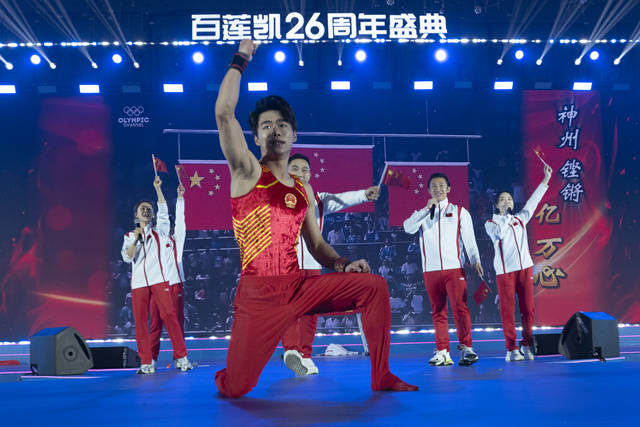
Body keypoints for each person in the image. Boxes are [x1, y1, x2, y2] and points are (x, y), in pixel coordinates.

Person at [213, 39, 417, 397]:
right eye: (266, 125)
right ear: (255, 136)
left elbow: (317, 244)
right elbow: (224, 114)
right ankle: (229, 374)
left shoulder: (303, 189)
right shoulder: (246, 171)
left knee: (374, 286)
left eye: (282, 125)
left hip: (298, 287)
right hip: (258, 294)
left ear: (294, 135)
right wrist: (241, 58)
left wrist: (342, 264)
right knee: (237, 388)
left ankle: (382, 374)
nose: (275, 130)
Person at [281, 153, 380, 376]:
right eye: (294, 168)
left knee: (310, 312)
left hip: (313, 263)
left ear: (310, 174)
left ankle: (305, 356)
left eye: (305, 169)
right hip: (286, 265)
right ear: (285, 172)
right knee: (288, 310)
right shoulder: (275, 198)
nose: (300, 173)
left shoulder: (320, 200)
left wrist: (364, 195)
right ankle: (292, 351)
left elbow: (343, 198)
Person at [403, 173, 484, 366]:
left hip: (454, 268)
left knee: (460, 309)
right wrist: (426, 210)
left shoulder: (459, 212)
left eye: (441, 185)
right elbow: (408, 228)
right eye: (434, 186)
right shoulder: (422, 213)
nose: (438, 189)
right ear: (428, 190)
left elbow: (469, 240)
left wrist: (475, 260)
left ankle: (466, 348)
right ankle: (442, 351)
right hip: (430, 270)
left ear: (448, 189)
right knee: (438, 311)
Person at [121, 176, 192, 374]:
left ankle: (182, 356)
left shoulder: (160, 232)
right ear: (136, 214)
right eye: (142, 209)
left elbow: (163, 213)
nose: (146, 210)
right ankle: (146, 361)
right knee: (141, 323)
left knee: (169, 316)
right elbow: (127, 257)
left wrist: (158, 189)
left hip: (160, 280)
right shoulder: (129, 236)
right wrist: (136, 239)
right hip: (139, 283)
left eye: (149, 208)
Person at [485, 164, 552, 361]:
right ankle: (511, 348)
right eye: (502, 199)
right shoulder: (491, 223)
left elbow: (533, 201)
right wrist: (505, 216)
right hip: (505, 271)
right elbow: (499, 233)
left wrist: (546, 180)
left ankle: (528, 344)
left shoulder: (520, 219)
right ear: (496, 204)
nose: (507, 201)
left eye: (509, 199)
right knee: (508, 311)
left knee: (528, 309)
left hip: (524, 268)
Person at [148, 183, 192, 370]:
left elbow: (180, 221)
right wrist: (158, 190)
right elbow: (161, 216)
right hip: (157, 285)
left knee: (177, 324)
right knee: (155, 325)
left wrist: (180, 199)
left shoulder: (177, 240)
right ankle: (150, 359)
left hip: (174, 285)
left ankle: (180, 357)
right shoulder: (155, 240)